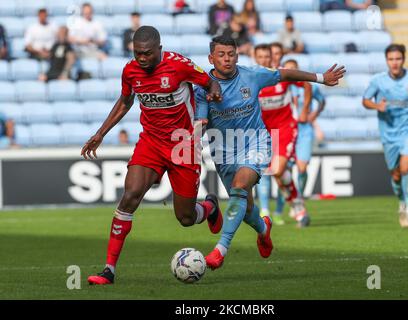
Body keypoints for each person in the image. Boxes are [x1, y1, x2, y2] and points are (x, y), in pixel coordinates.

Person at [83, 26, 224, 285]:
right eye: (137, 53)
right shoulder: (130, 70)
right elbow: (125, 101)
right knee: (129, 196)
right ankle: (108, 270)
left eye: (147, 53)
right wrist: (100, 133)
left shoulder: (179, 65)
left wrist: (214, 90)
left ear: (159, 49)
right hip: (151, 142)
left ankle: (210, 208)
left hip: (184, 145)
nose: (142, 58)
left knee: (185, 218)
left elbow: (209, 80)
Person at [195, 36, 345, 270]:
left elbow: (284, 73)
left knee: (240, 188)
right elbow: (201, 122)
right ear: (211, 58)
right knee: (246, 209)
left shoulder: (251, 75)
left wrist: (320, 78)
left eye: (231, 54)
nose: (227, 59)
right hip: (224, 151)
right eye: (221, 55)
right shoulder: (203, 88)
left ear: (237, 55)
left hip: (256, 143)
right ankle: (264, 229)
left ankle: (220, 249)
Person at [362, 44, 408, 228]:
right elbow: (365, 100)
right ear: (386, 61)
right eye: (391, 59)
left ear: (404, 59)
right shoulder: (378, 81)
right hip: (388, 134)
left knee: (406, 167)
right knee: (396, 174)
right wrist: (377, 106)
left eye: (398, 59)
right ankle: (401, 200)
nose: (395, 63)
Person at [254, 44, 312, 227]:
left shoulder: (281, 75)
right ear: (255, 58)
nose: (264, 59)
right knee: (279, 174)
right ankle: (298, 207)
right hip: (265, 133)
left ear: (272, 57)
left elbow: (307, 84)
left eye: (266, 56)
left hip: (286, 128)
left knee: (278, 170)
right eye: (260, 56)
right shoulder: (251, 79)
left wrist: (304, 109)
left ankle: (296, 205)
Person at [274, 59, 327, 226]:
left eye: (293, 70)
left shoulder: (305, 86)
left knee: (302, 167)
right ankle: (290, 204)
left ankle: (300, 197)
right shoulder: (282, 87)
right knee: (282, 171)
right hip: (285, 130)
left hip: (304, 131)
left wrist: (312, 114)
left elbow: (322, 101)